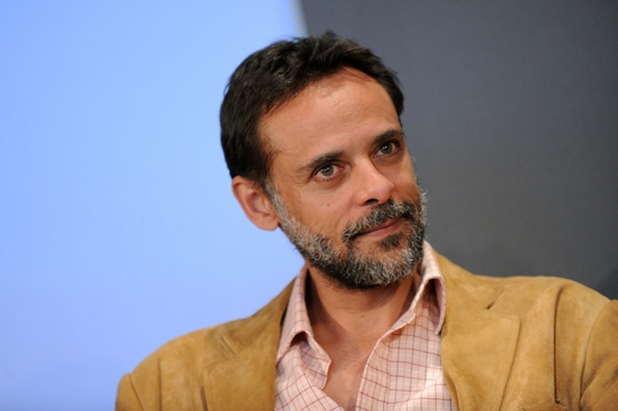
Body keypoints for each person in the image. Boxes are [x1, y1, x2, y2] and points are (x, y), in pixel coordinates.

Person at [115, 32, 617, 411]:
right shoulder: (166, 389)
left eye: (386, 148)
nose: (378, 185)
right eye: (328, 170)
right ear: (259, 204)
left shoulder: (571, 332)